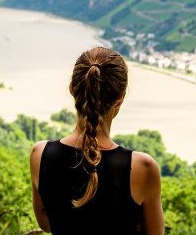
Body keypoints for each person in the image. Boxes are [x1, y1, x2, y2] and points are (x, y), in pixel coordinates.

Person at [29, 47, 165, 234]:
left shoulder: (40, 154)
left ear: (72, 89)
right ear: (120, 98)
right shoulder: (143, 168)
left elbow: (47, 223)